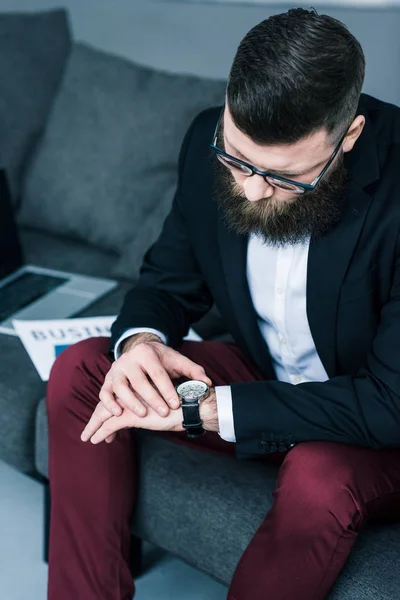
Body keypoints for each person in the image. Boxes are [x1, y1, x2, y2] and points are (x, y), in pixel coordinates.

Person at [46, 7, 400, 600]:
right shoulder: (208, 137)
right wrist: (141, 345)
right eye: (238, 160)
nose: (251, 190)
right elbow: (167, 280)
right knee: (86, 369)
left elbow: (388, 405)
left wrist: (203, 411)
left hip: (374, 425)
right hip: (270, 377)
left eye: (286, 179)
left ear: (351, 136)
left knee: (319, 473)